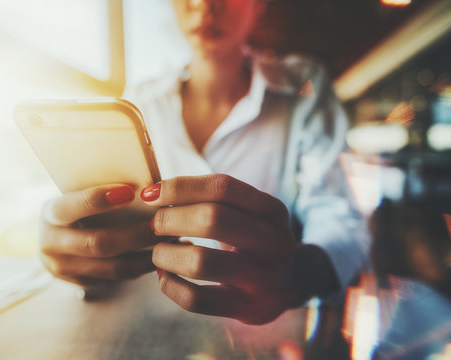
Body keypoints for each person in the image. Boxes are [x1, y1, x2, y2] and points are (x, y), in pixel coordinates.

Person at [39, 0, 367, 325]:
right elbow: (108, 219)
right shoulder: (140, 102)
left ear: (260, 5)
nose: (204, 5)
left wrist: (298, 275)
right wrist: (83, 243)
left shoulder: (303, 87)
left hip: (271, 332)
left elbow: (339, 214)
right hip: (155, 320)